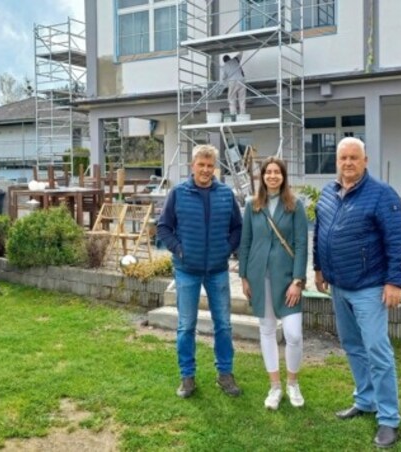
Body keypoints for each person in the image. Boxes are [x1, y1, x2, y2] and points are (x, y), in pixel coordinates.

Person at [313, 137, 401, 448]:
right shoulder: (328, 193)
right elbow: (320, 234)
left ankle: (389, 419)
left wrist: (395, 282)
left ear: (366, 160)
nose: (348, 163)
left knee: (378, 352)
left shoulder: (382, 195)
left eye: (354, 158)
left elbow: (397, 240)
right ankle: (365, 400)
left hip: (369, 287)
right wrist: (318, 268)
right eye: (343, 158)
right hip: (338, 286)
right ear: (336, 161)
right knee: (353, 346)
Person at [156, 144, 244, 398]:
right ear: (192, 166)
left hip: (217, 270)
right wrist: (180, 250)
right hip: (187, 271)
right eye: (201, 165)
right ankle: (187, 377)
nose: (205, 170)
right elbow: (163, 227)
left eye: (209, 165)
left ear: (214, 167)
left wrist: (226, 249)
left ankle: (225, 374)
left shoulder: (226, 194)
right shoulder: (178, 193)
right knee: (186, 325)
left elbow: (237, 228)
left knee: (224, 325)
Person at [238, 157, 308, 410]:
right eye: (268, 172)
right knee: (267, 330)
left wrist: (298, 281)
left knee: (293, 334)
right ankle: (275, 386)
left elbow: (301, 245)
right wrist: (243, 276)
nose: (272, 176)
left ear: (283, 176)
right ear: (262, 177)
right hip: (258, 277)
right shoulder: (252, 205)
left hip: (288, 279)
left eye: (277, 172)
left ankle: (293, 383)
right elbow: (244, 243)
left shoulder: (295, 206)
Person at [221, 51, 246, 117]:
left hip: (232, 82)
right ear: (229, 58)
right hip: (241, 80)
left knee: (231, 98)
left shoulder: (224, 66)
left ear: (224, 61)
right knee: (242, 98)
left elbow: (223, 77)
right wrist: (241, 50)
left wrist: (224, 86)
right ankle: (242, 113)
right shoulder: (235, 60)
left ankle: (233, 114)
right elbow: (240, 54)